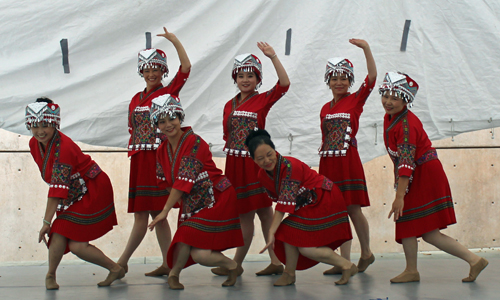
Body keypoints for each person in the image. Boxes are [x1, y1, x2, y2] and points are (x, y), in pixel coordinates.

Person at [380, 72, 489, 283]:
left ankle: (472, 260)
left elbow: (405, 163)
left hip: (424, 175)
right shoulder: (391, 118)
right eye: (386, 95)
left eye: (395, 98)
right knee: (410, 223)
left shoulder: (405, 125)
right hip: (416, 173)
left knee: (425, 230)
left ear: (406, 100)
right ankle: (413, 269)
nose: (388, 101)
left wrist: (399, 196)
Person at [147, 94, 244, 289]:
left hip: (216, 197)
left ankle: (232, 266)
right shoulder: (161, 150)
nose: (168, 125)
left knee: (194, 246)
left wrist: (165, 210)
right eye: (162, 121)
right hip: (191, 200)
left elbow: (184, 179)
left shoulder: (194, 142)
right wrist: (181, 201)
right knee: (187, 239)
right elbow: (164, 181)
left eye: (172, 118)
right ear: (156, 125)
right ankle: (174, 275)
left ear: (180, 117)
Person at [211, 42, 290, 277]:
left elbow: (284, 84)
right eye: (241, 75)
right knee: (244, 214)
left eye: (251, 76)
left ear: (258, 79)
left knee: (265, 212)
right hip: (234, 165)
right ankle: (257, 262)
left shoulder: (263, 99)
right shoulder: (229, 105)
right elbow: (228, 135)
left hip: (255, 164)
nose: (245, 80)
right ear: (235, 78)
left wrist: (273, 56)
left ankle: (260, 262)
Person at [26, 98, 122, 289]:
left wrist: (46, 222)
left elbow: (56, 189)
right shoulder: (33, 144)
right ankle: (114, 269)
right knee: (73, 242)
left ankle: (51, 276)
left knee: (59, 228)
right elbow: (55, 183)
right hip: (73, 192)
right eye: (35, 126)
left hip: (93, 188)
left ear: (54, 123)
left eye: (45, 125)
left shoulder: (65, 148)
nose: (40, 131)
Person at [117, 27, 191, 276]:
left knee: (155, 214)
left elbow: (186, 69)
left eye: (156, 69)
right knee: (148, 215)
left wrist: (174, 40)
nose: (151, 73)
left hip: (157, 160)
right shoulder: (135, 98)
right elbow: (132, 129)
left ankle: (122, 263)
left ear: (163, 71)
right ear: (141, 72)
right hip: (139, 160)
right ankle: (167, 263)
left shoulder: (167, 93)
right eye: (147, 70)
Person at [246, 129, 356, 286]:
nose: (267, 160)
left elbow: (283, 205)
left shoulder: (290, 166)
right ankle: (289, 274)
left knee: (306, 248)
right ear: (254, 160)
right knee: (286, 232)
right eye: (260, 158)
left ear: (275, 150)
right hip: (307, 204)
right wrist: (273, 230)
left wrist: (271, 231)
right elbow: (282, 201)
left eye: (270, 154)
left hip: (324, 198)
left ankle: (347, 265)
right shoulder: (262, 176)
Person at [319, 39, 377, 275]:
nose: (339, 82)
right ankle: (344, 262)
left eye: (344, 78)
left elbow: (372, 78)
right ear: (329, 82)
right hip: (328, 162)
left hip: (348, 161)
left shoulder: (356, 100)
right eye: (335, 78)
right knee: (336, 211)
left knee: (353, 209)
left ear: (350, 80)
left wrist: (366, 49)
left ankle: (366, 253)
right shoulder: (324, 107)